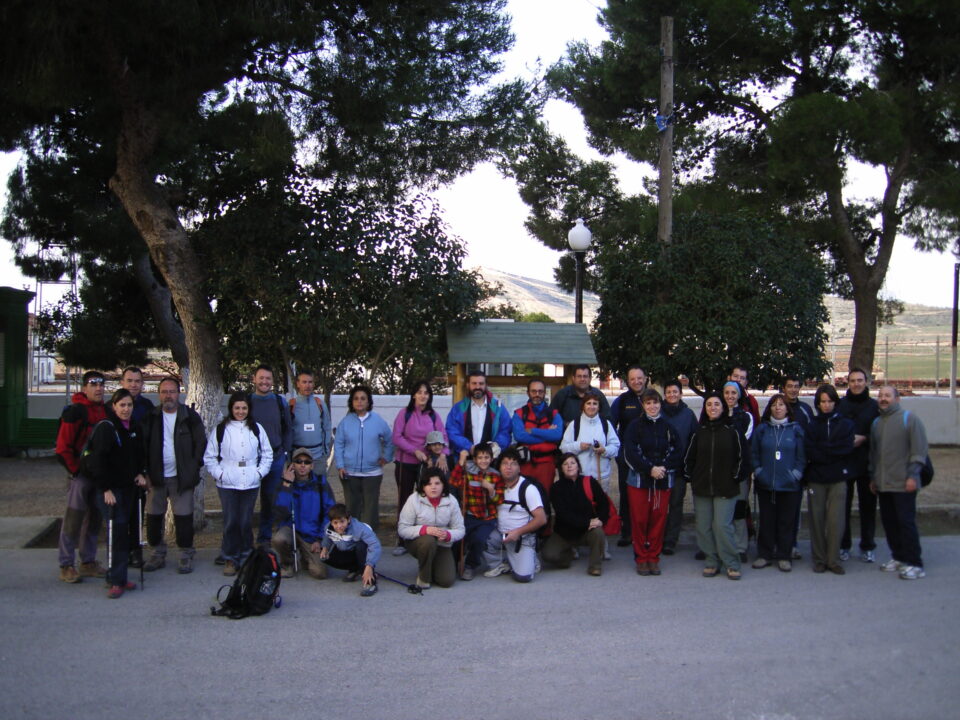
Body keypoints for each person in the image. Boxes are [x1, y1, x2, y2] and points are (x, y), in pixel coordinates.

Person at [86, 389, 149, 598]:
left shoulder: (134, 427)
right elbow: (98, 461)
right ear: (113, 406)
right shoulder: (107, 428)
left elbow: (139, 454)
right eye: (121, 405)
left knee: (126, 533)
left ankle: (119, 576)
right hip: (111, 491)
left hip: (129, 488)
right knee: (117, 534)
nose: (126, 409)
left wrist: (141, 473)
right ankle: (115, 579)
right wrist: (105, 488)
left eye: (129, 405)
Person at [141, 377, 207, 574]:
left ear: (179, 393)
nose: (168, 395)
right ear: (159, 394)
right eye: (164, 391)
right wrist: (145, 471)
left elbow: (200, 443)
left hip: (182, 478)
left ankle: (186, 555)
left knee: (184, 519)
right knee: (153, 518)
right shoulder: (151, 417)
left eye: (172, 391)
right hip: (156, 477)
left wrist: (193, 467)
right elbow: (143, 446)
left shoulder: (190, 416)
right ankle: (157, 553)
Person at [204, 392, 273, 577]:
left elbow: (267, 454)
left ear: (249, 409)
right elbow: (210, 456)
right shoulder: (221, 429)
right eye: (237, 408)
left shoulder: (256, 429)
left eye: (244, 408)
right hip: (227, 482)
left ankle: (246, 556)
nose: (240, 411)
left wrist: (259, 473)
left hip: (250, 480)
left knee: (245, 521)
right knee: (231, 521)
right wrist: (220, 474)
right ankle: (230, 557)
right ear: (231, 409)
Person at [869, 385, 929, 580]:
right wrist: (873, 477)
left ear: (897, 399)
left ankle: (915, 563)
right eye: (880, 396)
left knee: (906, 523)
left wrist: (913, 476)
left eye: (887, 395)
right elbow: (874, 455)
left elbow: (919, 451)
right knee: (890, 523)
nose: (883, 399)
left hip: (904, 484)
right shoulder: (877, 423)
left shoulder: (909, 420)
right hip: (884, 484)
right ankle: (899, 557)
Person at [56, 370, 109, 583]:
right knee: (73, 519)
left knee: (94, 519)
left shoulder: (105, 411)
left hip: (98, 477)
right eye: (93, 384)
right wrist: (76, 471)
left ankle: (88, 561)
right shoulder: (75, 412)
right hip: (80, 476)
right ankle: (66, 564)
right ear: (84, 388)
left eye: (101, 384)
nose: (98, 388)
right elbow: (62, 448)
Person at [623, 389, 681, 576]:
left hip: (662, 481)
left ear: (660, 404)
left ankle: (654, 557)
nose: (652, 406)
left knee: (658, 520)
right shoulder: (635, 426)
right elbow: (630, 452)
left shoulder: (668, 427)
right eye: (648, 403)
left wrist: (662, 468)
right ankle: (641, 557)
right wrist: (649, 469)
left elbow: (676, 450)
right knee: (640, 520)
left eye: (655, 402)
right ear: (643, 405)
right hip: (640, 482)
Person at [686, 392, 743, 580]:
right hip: (702, 487)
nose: (713, 408)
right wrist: (692, 477)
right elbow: (690, 458)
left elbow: (743, 458)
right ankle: (712, 560)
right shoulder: (699, 432)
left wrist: (735, 477)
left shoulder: (732, 431)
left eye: (717, 404)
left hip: (726, 487)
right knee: (703, 526)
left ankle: (731, 562)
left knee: (722, 526)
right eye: (709, 404)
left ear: (723, 407)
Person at [750, 393, 805, 572]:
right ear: (770, 408)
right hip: (766, 484)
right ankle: (764, 554)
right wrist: (758, 472)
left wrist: (795, 474)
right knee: (766, 521)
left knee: (786, 521)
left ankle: (784, 555)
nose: (778, 408)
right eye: (774, 405)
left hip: (788, 485)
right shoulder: (763, 429)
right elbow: (754, 453)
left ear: (787, 408)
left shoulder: (795, 429)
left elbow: (802, 456)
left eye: (781, 405)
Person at [392, 380, 449, 554]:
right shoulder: (405, 414)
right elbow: (396, 437)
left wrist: (443, 454)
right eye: (420, 392)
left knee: (426, 501)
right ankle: (402, 541)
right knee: (405, 501)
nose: (423, 396)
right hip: (406, 463)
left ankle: (424, 540)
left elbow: (444, 437)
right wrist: (415, 451)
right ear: (414, 395)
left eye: (426, 393)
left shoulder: (434, 415)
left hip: (428, 466)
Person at [804, 384, 855, 575]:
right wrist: (827, 452)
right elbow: (810, 449)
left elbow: (846, 448)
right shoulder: (812, 424)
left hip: (837, 477)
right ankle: (819, 559)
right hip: (816, 477)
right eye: (822, 402)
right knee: (816, 519)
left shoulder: (845, 424)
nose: (826, 405)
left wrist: (826, 451)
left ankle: (833, 559)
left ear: (835, 402)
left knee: (836, 520)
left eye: (829, 401)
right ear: (818, 403)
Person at [334, 385, 394, 532]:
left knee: (370, 510)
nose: (359, 401)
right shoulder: (346, 422)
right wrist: (340, 465)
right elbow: (339, 444)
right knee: (352, 508)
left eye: (363, 398)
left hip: (372, 473)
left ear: (368, 402)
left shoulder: (377, 420)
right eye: (356, 399)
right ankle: (351, 539)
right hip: (350, 473)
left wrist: (386, 457)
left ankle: (369, 541)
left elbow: (389, 439)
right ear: (351, 402)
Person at [482, 447, 547, 582]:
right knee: (479, 534)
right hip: (500, 534)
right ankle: (499, 564)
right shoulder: (495, 484)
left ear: (519, 468)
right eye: (505, 463)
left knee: (523, 577)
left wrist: (518, 532)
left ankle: (531, 558)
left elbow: (541, 519)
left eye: (513, 463)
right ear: (499, 467)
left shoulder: (528, 489)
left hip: (521, 536)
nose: (509, 467)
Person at [272, 447, 336, 579]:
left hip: (312, 535)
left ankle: (306, 558)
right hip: (292, 529)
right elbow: (280, 512)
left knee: (320, 573)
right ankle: (287, 564)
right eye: (298, 461)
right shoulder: (285, 483)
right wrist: (287, 485)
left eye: (306, 462)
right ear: (292, 465)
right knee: (279, 539)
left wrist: (320, 539)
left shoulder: (320, 483)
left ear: (312, 466)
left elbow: (330, 513)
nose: (302, 465)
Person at [397, 468, 466, 589]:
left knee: (447, 581)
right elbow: (402, 529)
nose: (433, 487)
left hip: (442, 543)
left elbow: (460, 529)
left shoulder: (451, 500)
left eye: (437, 483)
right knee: (428, 541)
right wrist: (424, 530)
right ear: (423, 486)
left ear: (443, 485)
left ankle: (433, 564)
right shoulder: (414, 500)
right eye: (428, 484)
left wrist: (448, 535)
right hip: (419, 542)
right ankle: (424, 578)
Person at [838, 367, 880, 562]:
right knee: (843, 507)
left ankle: (867, 545)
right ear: (848, 383)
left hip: (866, 464)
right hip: (845, 463)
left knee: (868, 507)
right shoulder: (841, 405)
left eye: (860, 380)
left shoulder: (874, 407)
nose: (856, 384)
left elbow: (880, 433)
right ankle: (844, 545)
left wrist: (864, 438)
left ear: (866, 382)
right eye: (853, 380)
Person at [542, 453, 610, 576]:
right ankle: (568, 555)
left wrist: (600, 520)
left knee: (598, 532)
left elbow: (604, 504)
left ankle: (595, 566)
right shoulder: (556, 488)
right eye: (565, 464)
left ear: (578, 466)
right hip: (565, 533)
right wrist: (587, 522)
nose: (569, 466)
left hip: (587, 531)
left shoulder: (590, 482)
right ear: (561, 468)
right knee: (549, 555)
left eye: (572, 463)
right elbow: (563, 515)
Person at [248, 365, 292, 547]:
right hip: (250, 461)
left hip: (275, 458)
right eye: (261, 378)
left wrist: (286, 454)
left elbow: (288, 429)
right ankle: (244, 541)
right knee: (247, 502)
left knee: (270, 501)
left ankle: (265, 538)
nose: (264, 382)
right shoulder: (247, 401)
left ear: (272, 381)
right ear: (254, 379)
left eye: (268, 378)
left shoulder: (280, 402)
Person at [448, 443, 504, 580]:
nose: (483, 460)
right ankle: (451, 563)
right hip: (469, 516)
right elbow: (454, 481)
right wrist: (461, 462)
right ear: (474, 459)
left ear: (491, 459)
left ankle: (470, 566)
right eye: (480, 458)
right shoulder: (468, 472)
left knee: (478, 540)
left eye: (486, 457)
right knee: (458, 539)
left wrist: (491, 490)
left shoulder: (495, 475)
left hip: (487, 518)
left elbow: (499, 500)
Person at [609, 366, 648, 547]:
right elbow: (611, 427)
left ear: (645, 378)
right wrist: (620, 449)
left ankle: (646, 532)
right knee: (627, 494)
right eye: (633, 379)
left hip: (649, 456)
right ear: (628, 381)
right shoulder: (622, 401)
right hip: (627, 457)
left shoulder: (654, 398)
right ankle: (627, 532)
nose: (636, 382)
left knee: (647, 494)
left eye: (639, 378)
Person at [661, 379, 698, 555]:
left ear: (680, 394)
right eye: (668, 392)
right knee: (659, 505)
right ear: (665, 394)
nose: (672, 395)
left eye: (675, 392)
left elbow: (694, 440)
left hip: (679, 468)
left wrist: (688, 465)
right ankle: (657, 537)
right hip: (660, 467)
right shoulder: (657, 411)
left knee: (675, 505)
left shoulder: (688, 415)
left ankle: (670, 540)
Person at [560, 395, 620, 495]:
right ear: (583, 406)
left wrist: (604, 450)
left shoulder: (606, 424)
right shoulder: (574, 425)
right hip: (580, 476)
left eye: (595, 404)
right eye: (588, 403)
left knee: (600, 507)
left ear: (599, 407)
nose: (591, 406)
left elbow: (615, 446)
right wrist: (578, 446)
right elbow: (563, 448)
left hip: (601, 477)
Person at [511, 378, 563, 494]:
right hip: (525, 463)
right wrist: (547, 433)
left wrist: (533, 431)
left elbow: (557, 435)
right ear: (528, 393)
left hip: (547, 464)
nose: (537, 394)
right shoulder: (519, 413)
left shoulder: (554, 414)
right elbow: (520, 436)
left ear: (545, 393)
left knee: (544, 497)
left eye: (540, 391)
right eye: (533, 391)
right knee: (524, 497)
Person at [722, 381, 754, 562]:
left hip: (739, 470)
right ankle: (724, 545)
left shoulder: (747, 417)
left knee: (739, 509)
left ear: (739, 395)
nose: (730, 396)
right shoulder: (717, 413)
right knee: (722, 511)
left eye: (733, 393)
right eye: (727, 392)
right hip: (720, 471)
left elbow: (741, 441)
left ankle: (740, 547)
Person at [445, 370, 511, 457]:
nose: (477, 387)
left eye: (481, 383)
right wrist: (469, 447)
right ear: (468, 385)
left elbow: (505, 431)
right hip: (464, 458)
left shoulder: (498, 408)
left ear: (486, 385)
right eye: (474, 383)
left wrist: (496, 447)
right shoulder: (458, 408)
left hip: (491, 460)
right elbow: (451, 431)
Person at [320, 503, 381, 596]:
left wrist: (369, 565)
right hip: (346, 550)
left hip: (362, 553)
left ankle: (371, 582)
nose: (339, 526)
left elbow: (375, 545)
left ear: (348, 519)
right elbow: (327, 538)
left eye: (342, 521)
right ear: (331, 523)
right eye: (335, 523)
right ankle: (355, 569)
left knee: (361, 546)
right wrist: (325, 548)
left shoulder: (360, 528)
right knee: (325, 558)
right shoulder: (328, 527)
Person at [288, 369, 333, 477]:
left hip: (317, 458)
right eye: (304, 382)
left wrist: (326, 453)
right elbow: (286, 431)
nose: (307, 385)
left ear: (313, 384)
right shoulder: (291, 405)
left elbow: (326, 428)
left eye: (310, 382)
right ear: (298, 384)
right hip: (298, 458)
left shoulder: (320, 404)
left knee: (319, 490)